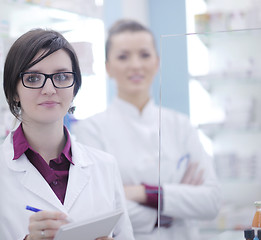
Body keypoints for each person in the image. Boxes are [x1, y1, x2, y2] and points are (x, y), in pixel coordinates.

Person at [0, 28, 134, 240]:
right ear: (14, 91)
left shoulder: (105, 166)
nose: (49, 89)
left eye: (61, 76)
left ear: (74, 87)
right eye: (33, 78)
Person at [71, 19, 221, 240]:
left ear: (157, 62)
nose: (135, 65)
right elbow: (100, 211)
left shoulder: (181, 125)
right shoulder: (90, 131)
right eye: (123, 56)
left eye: (144, 55)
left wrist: (143, 193)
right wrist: (173, 208)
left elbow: (211, 201)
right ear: (108, 67)